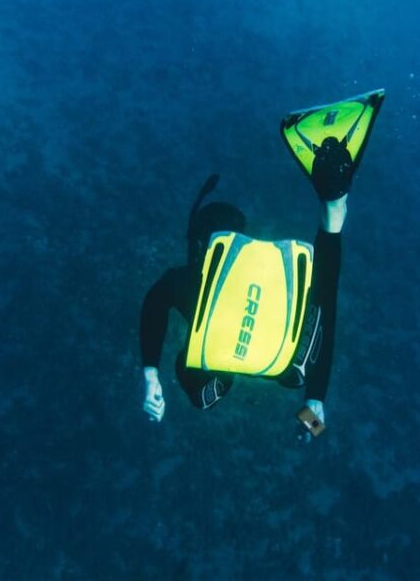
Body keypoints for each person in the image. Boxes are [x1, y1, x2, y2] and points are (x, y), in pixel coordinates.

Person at [138, 89, 384, 436]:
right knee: (320, 296)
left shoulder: (186, 282)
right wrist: (315, 403)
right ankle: (334, 206)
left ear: (199, 244)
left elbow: (153, 302)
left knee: (191, 367)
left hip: (257, 362)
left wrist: (151, 375)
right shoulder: (273, 270)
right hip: (292, 362)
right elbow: (326, 311)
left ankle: (334, 210)